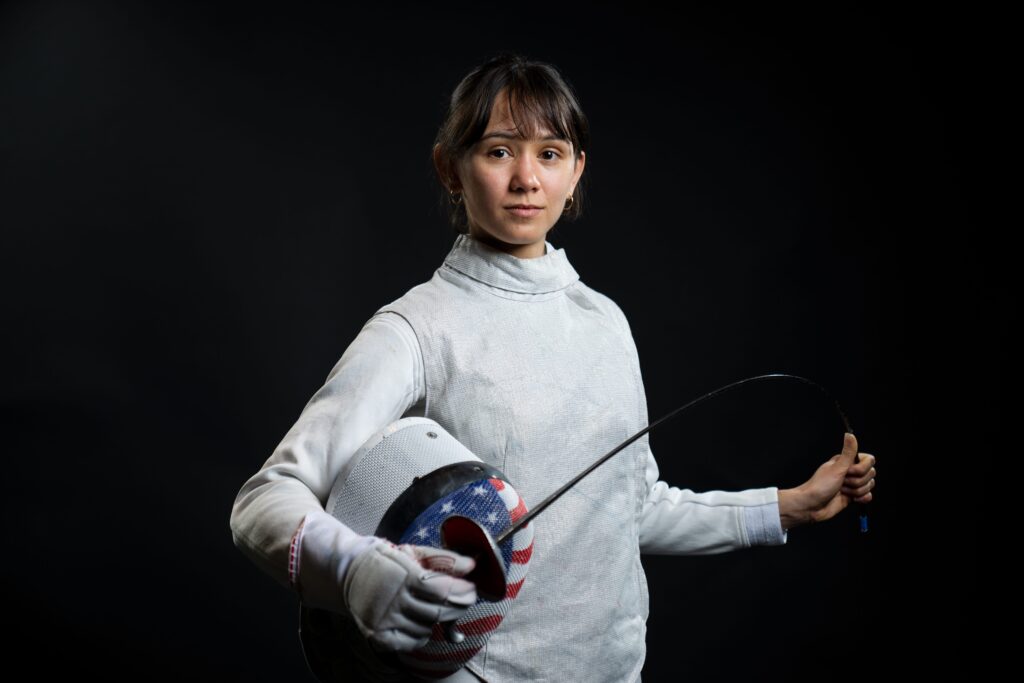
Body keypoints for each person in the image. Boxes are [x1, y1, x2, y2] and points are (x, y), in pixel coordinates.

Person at [229, 52, 877, 682]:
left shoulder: (604, 321)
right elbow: (263, 500)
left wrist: (785, 508)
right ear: (450, 168)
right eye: (498, 150)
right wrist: (354, 569)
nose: (526, 179)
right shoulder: (416, 327)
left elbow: (629, 508)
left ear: (575, 171)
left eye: (549, 153)